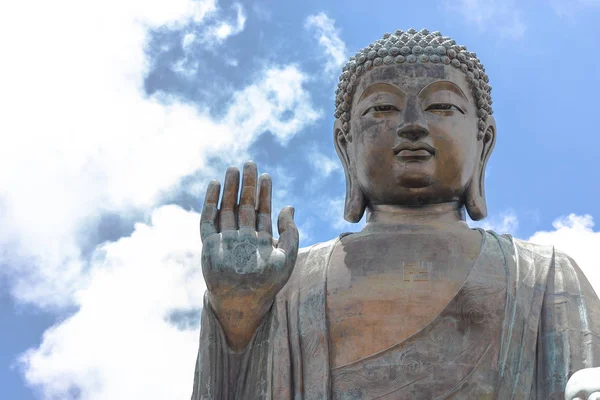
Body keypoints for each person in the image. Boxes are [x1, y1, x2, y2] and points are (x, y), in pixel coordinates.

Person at [191, 28, 600, 399]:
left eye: (441, 106)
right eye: (381, 109)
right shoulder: (290, 281)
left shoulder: (544, 275)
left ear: (484, 139)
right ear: (344, 144)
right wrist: (236, 315)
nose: (411, 125)